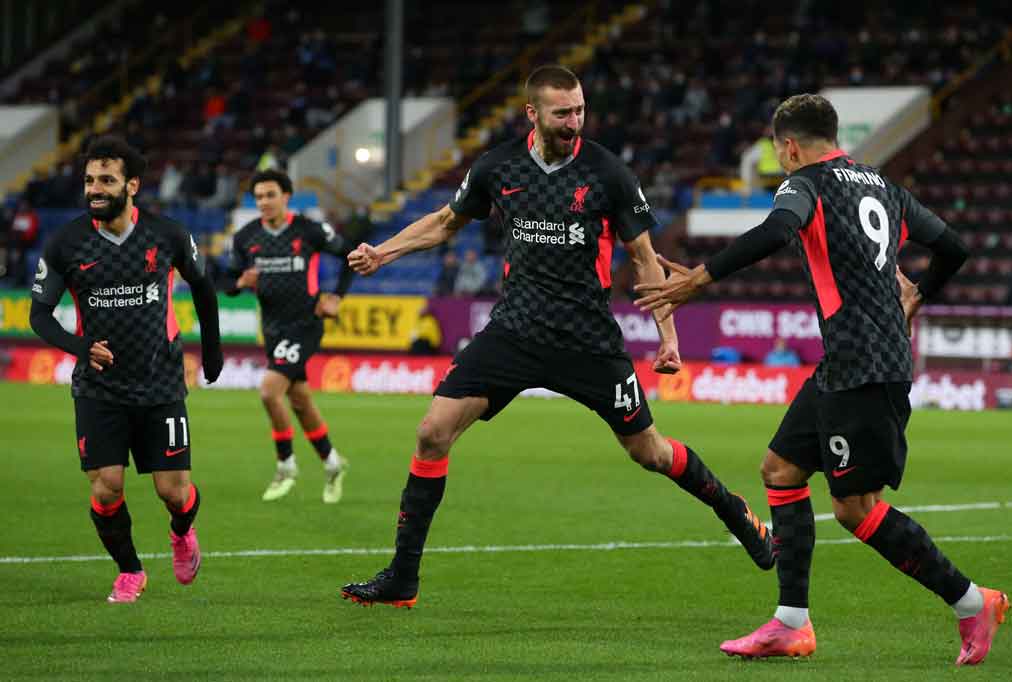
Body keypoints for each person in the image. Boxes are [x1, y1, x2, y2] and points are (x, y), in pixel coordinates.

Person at [340, 65, 774, 609]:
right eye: (563, 113)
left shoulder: (607, 174)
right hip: (514, 332)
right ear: (533, 113)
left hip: (588, 342)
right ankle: (403, 578)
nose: (575, 122)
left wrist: (668, 337)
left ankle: (735, 512)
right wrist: (385, 251)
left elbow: (644, 259)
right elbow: (446, 222)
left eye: (580, 110)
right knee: (433, 432)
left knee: (652, 453)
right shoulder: (498, 167)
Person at [635, 94, 1009, 666]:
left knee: (855, 508)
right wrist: (919, 294)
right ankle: (791, 623)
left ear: (788, 146)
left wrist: (699, 281)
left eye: (779, 152)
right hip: (850, 361)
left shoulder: (803, 182)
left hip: (864, 366)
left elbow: (778, 230)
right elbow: (952, 247)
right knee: (780, 470)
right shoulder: (882, 185)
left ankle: (970, 601)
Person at [29, 135, 224, 603]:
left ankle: (181, 534)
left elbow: (204, 286)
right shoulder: (65, 244)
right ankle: (130, 570)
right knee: (107, 486)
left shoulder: (168, 234)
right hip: (99, 389)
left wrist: (212, 352)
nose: (95, 188)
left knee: (175, 494)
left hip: (161, 383)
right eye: (90, 180)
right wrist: (80, 347)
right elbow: (39, 315)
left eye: (106, 180)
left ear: (132, 185)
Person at [223, 169, 354, 503]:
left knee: (269, 392)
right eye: (259, 197)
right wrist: (240, 284)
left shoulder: (309, 230)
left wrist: (336, 296)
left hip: (305, 324)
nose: (265, 202)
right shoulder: (246, 237)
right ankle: (332, 463)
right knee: (299, 400)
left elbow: (350, 257)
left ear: (286, 197)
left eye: (271, 195)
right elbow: (227, 281)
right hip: (272, 329)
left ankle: (286, 465)